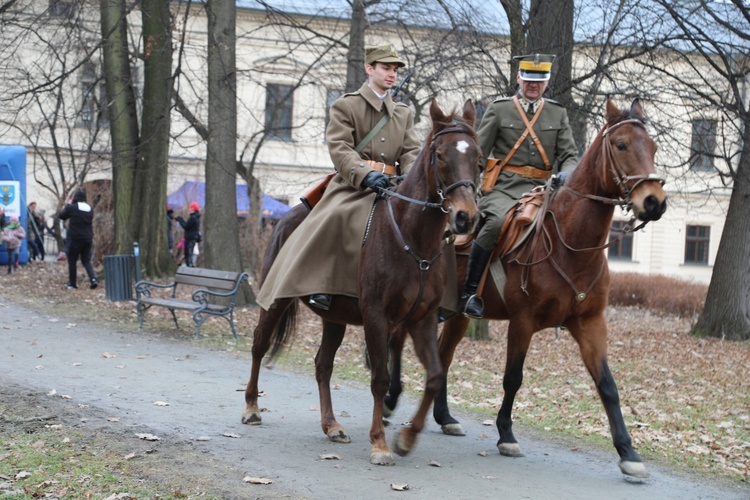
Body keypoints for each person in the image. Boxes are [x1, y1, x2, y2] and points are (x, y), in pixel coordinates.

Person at [256, 43, 421, 311]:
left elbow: (411, 151)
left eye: (394, 70)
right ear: (370, 69)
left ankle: (430, 294)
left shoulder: (402, 113)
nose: (392, 74)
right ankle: (324, 285)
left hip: (392, 187)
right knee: (335, 217)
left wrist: (411, 181)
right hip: (353, 185)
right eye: (386, 68)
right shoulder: (347, 105)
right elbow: (340, 147)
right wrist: (365, 175)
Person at [458, 54, 578, 319]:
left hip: (544, 189)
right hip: (504, 188)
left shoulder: (558, 113)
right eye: (528, 80)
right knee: (495, 224)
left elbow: (569, 153)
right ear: (518, 78)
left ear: (546, 82)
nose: (532, 86)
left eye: (539, 81)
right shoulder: (500, 109)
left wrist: (567, 173)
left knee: (567, 227)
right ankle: (469, 294)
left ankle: (564, 297)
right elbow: (479, 151)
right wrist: (468, 189)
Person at [59, 190, 98, 289]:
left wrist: (68, 204)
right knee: (86, 260)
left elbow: (62, 216)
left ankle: (72, 284)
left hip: (75, 238)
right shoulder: (90, 209)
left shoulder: (73, 207)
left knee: (72, 261)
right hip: (88, 238)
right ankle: (93, 279)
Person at [175, 202, 201, 267]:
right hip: (193, 238)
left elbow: (186, 226)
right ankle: (190, 265)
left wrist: (180, 220)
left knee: (188, 254)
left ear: (193, 209)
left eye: (190, 209)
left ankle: (189, 267)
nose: (189, 210)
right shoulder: (197, 217)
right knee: (189, 253)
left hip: (190, 238)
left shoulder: (193, 218)